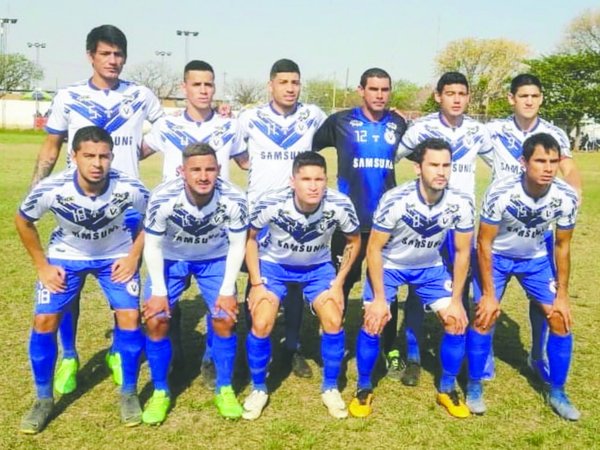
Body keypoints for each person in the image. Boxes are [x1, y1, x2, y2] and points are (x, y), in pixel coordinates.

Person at [29, 24, 163, 395]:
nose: (113, 61)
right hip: (78, 203)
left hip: (126, 205)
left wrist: (142, 149)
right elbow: (51, 146)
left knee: (123, 285)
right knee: (65, 283)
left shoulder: (140, 95)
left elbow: (168, 128)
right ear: (91, 55)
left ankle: (120, 352)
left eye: (119, 54)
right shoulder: (69, 96)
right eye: (105, 53)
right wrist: (35, 190)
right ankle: (69, 355)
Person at [16, 126, 149, 433]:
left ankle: (128, 393)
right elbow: (23, 220)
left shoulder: (129, 187)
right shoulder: (53, 187)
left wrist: (131, 257)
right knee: (44, 321)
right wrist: (42, 266)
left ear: (112, 157)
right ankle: (43, 399)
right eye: (89, 155)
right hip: (67, 257)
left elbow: (151, 219)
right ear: (73, 156)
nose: (97, 163)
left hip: (114, 256)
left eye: (104, 156)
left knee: (130, 316)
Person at [349, 138, 474, 419]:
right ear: (418, 167)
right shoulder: (396, 200)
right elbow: (374, 248)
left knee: (456, 322)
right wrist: (380, 300)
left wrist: (456, 300)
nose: (441, 172)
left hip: (430, 268)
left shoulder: (460, 202)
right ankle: (363, 387)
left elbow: (464, 252)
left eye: (446, 165)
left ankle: (446, 389)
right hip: (391, 266)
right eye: (434, 165)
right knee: (373, 321)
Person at [142, 59, 248, 387]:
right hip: (173, 229)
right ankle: (173, 359)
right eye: (197, 84)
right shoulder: (166, 126)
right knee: (161, 311)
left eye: (209, 84)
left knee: (222, 310)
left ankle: (212, 361)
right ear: (183, 88)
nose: (204, 90)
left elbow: (248, 163)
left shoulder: (231, 127)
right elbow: (134, 153)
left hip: (216, 229)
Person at [466, 133, 580, 420]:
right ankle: (474, 386)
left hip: (536, 261)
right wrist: (490, 295)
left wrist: (563, 296)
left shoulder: (565, 197)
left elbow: (563, 246)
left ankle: (557, 391)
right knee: (484, 316)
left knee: (560, 319)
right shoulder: (500, 192)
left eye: (553, 161)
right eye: (540, 160)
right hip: (497, 258)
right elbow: (484, 243)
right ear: (523, 162)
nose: (548, 168)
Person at [242, 152, 360, 420]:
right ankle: (259, 388)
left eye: (319, 179)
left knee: (333, 319)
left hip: (317, 270)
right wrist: (256, 283)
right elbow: (249, 238)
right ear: (292, 181)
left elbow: (353, 241)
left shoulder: (339, 204)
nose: (313, 185)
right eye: (306, 179)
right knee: (261, 322)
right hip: (274, 268)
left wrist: (339, 283)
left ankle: (330, 387)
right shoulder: (272, 202)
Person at [393, 72, 493, 385]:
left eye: (462, 93)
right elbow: (390, 160)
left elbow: (502, 167)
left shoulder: (478, 131)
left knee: (460, 289)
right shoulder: (421, 128)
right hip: (425, 222)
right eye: (450, 93)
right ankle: (413, 356)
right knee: (415, 292)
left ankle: (456, 350)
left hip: (460, 224)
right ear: (438, 96)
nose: (456, 99)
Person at [485, 74, 582, 385]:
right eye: (523, 96)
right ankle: (482, 359)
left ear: (541, 99)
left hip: (538, 226)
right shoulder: (494, 130)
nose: (529, 101)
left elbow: (568, 168)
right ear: (512, 98)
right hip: (503, 220)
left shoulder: (553, 133)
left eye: (535, 96)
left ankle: (537, 354)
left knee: (542, 300)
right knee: (485, 300)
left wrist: (573, 198)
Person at [141, 143, 248, 423]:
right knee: (156, 318)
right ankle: (161, 391)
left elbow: (238, 246)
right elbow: (151, 246)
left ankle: (224, 387)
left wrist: (227, 291)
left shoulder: (234, 198)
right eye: (196, 170)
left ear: (219, 170)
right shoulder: (163, 197)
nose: (203, 176)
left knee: (225, 317)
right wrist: (159, 293)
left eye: (210, 169)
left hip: (214, 258)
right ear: (181, 172)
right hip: (170, 259)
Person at [312, 67, 407, 375]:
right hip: (348, 225)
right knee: (339, 285)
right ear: (361, 90)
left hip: (385, 226)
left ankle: (389, 349)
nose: (380, 95)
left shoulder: (398, 123)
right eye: (374, 89)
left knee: (385, 290)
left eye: (385, 90)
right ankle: (334, 343)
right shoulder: (340, 121)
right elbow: (307, 147)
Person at [238, 59, 327, 378]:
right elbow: (239, 158)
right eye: (284, 82)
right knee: (257, 279)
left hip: (299, 214)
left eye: (295, 82)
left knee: (294, 283)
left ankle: (292, 348)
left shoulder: (313, 116)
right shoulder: (249, 118)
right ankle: (256, 342)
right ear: (270, 85)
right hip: (260, 214)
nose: (290, 88)